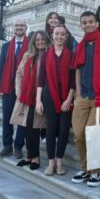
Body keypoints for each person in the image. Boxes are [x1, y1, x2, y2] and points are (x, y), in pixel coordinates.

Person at [71, 11, 100, 187]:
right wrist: (77, 93)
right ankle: (85, 168)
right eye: (84, 22)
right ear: (81, 25)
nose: (88, 25)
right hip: (83, 96)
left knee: (95, 133)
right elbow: (77, 69)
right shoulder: (80, 46)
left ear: (97, 23)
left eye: (91, 21)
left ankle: (96, 172)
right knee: (78, 134)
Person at [36, 25, 75, 176]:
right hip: (49, 96)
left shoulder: (70, 55)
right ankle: (51, 162)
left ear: (66, 37)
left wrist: (69, 99)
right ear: (52, 36)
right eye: (57, 34)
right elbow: (41, 79)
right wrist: (38, 101)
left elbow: (72, 80)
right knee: (51, 130)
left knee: (64, 130)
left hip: (66, 97)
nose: (59, 37)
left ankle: (60, 161)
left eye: (63, 34)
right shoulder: (45, 55)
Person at [16, 30, 51, 170]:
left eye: (43, 39)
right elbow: (19, 74)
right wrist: (19, 92)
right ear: (33, 42)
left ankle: (35, 157)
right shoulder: (28, 55)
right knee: (26, 126)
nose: (40, 42)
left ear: (47, 40)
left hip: (41, 96)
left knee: (33, 125)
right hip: (26, 95)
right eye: (37, 40)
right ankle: (30, 156)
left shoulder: (49, 54)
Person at [0, 19, 29, 158]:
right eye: (17, 25)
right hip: (8, 87)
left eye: (22, 25)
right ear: (13, 28)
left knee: (21, 117)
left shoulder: (30, 45)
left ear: (26, 27)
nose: (19, 27)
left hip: (24, 87)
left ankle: (18, 146)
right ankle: (7, 145)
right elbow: (1, 66)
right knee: (7, 117)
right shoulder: (6, 46)